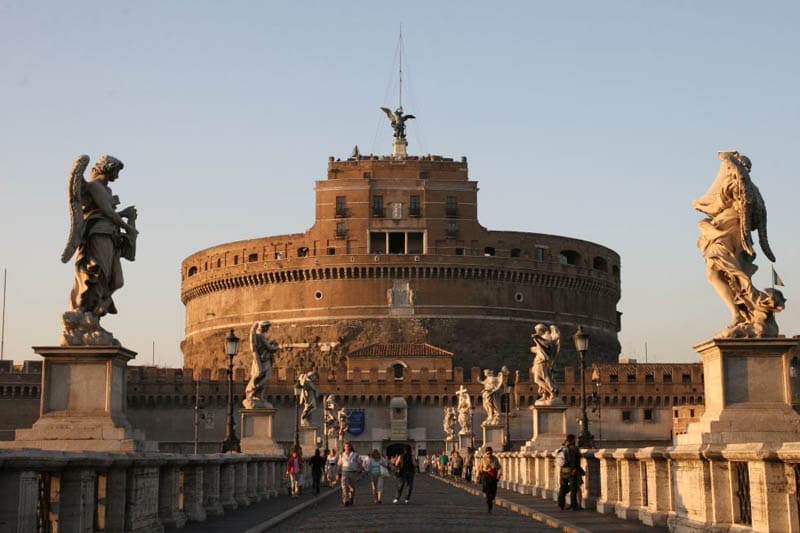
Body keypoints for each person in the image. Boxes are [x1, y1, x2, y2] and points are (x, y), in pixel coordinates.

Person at [557, 434, 582, 511]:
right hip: (572, 471)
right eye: (575, 439)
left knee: (563, 488)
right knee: (573, 489)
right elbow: (577, 459)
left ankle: (561, 504)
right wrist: (574, 469)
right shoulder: (574, 448)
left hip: (563, 471)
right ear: (573, 440)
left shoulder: (562, 448)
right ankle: (574, 506)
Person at [337, 441, 361, 506]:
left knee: (352, 488)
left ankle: (351, 498)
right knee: (344, 487)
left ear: (351, 447)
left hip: (353, 472)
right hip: (344, 472)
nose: (347, 447)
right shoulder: (342, 454)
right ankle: (346, 500)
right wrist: (338, 473)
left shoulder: (355, 454)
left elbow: (359, 462)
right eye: (346, 446)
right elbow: (339, 464)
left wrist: (360, 469)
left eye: (348, 446)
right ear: (344, 447)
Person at [479, 446, 502, 513]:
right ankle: (489, 504)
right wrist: (478, 477)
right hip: (486, 475)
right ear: (486, 453)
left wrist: (499, 475)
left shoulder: (495, 459)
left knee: (493, 492)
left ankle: (490, 500)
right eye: (488, 453)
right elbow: (480, 468)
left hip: (493, 476)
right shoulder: (483, 459)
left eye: (490, 453)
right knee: (487, 490)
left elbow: (499, 467)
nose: (489, 455)